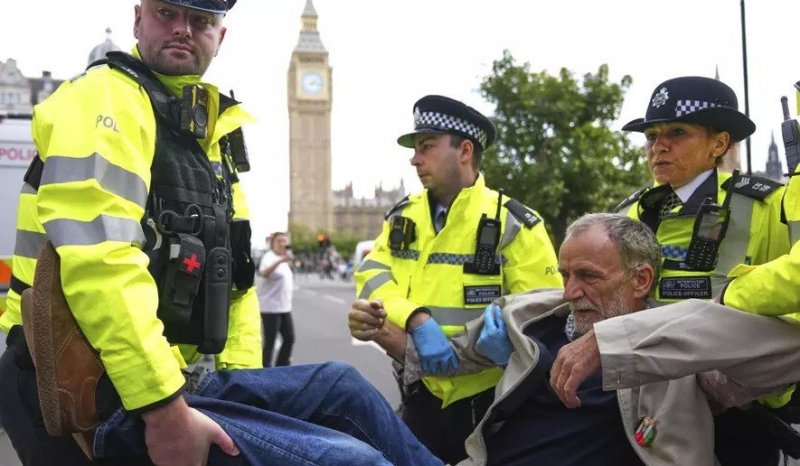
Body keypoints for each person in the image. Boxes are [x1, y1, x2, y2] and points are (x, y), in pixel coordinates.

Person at [0, 1, 432, 465]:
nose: (184, 29)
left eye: (202, 20)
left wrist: (250, 396)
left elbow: (236, 282)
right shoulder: (104, 98)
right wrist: (163, 406)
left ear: (219, 38)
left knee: (344, 388)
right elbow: (100, 263)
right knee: (349, 459)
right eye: (168, 12)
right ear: (138, 18)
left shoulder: (208, 136)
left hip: (164, 372)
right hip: (79, 379)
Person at [351, 213, 800, 465]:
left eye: (587, 276)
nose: (569, 292)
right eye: (565, 274)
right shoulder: (527, 317)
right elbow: (442, 359)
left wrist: (611, 342)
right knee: (338, 390)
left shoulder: (682, 348)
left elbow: (788, 352)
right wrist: (388, 332)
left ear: (641, 279)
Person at [352, 94, 562, 463]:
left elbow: (546, 309)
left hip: (494, 399)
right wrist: (416, 317)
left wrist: (513, 339)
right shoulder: (403, 216)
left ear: (465, 150)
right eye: (415, 148)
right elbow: (372, 273)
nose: (415, 158)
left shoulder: (515, 222)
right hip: (421, 394)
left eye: (427, 146)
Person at [613, 76, 791, 464]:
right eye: (651, 135)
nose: (658, 146)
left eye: (677, 132)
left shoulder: (766, 206)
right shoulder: (631, 213)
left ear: (719, 144)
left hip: (740, 412)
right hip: (647, 404)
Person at [256, 232, 295, 367]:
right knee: (270, 343)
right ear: (273, 243)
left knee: (290, 339)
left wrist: (284, 260)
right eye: (279, 241)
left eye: (285, 241)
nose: (283, 244)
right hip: (270, 308)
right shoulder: (269, 257)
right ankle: (266, 370)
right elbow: (264, 273)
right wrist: (279, 261)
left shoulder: (285, 259)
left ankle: (281, 367)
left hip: (285, 307)